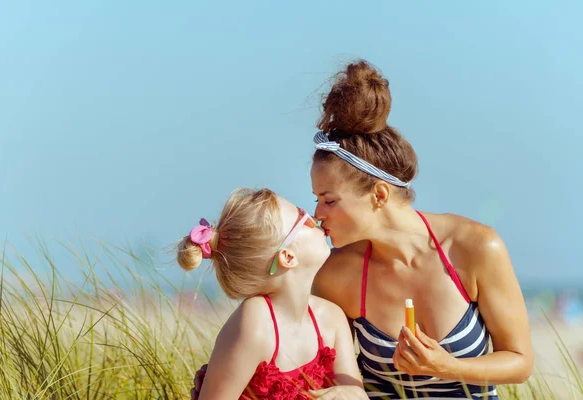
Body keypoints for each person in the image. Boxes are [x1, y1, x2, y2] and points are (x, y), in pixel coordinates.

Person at [192, 59, 534, 399]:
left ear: (379, 195)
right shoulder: (335, 274)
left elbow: (520, 362)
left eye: (329, 200)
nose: (317, 214)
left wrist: (446, 367)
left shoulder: (475, 247)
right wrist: (229, 382)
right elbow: (287, 333)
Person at [178, 188, 368, 399]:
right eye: (302, 217)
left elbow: (357, 393)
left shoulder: (332, 319)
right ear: (287, 256)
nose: (314, 218)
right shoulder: (255, 321)